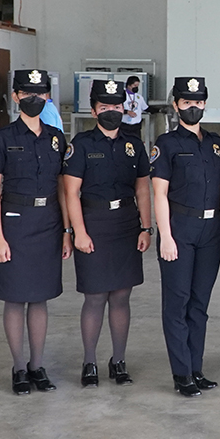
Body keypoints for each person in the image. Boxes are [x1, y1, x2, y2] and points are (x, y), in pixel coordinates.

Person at [0, 68, 72, 396]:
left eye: (40, 93)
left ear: (47, 95)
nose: (34, 98)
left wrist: (66, 230)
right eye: (27, 93)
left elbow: (63, 187)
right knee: (14, 296)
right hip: (15, 221)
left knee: (40, 296)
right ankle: (19, 367)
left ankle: (37, 365)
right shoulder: (4, 138)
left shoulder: (56, 137)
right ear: (17, 96)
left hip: (48, 220)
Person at [62, 79, 152, 388]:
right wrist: (78, 232)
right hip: (94, 222)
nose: (111, 111)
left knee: (122, 296)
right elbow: (70, 192)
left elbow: (143, 188)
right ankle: (89, 361)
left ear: (124, 108)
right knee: (96, 296)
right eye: (105, 107)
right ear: (94, 110)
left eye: (116, 106)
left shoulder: (134, 144)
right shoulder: (82, 144)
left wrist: (146, 226)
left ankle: (119, 360)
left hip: (126, 223)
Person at [152, 76, 220, 397]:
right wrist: (166, 237)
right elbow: (159, 193)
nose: (193, 107)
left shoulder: (216, 143)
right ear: (176, 105)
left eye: (198, 102)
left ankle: (196, 368)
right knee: (178, 303)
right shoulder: (167, 144)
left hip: (211, 231)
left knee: (199, 304)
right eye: (186, 102)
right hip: (180, 230)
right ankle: (181, 373)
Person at [121, 75, 147, 140]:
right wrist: (127, 112)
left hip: (136, 127)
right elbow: (116, 109)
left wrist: (159, 110)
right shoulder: (122, 95)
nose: (136, 88)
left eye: (137, 86)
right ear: (129, 85)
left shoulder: (139, 97)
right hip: (124, 125)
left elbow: (146, 108)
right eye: (134, 86)